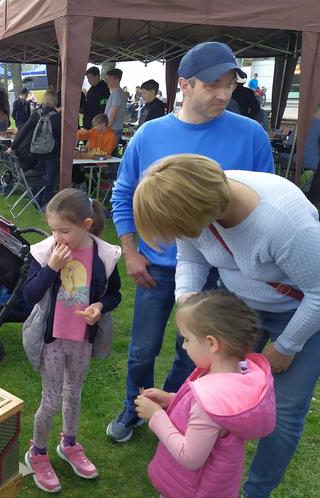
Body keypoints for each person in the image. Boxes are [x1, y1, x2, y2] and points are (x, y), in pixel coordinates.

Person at [107, 41, 275, 445]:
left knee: (195, 354)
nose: (223, 94)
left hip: (225, 272)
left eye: (229, 84)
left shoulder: (251, 134)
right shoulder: (150, 134)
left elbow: (265, 202)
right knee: (143, 348)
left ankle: (179, 409)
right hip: (157, 267)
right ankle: (135, 405)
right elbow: (123, 193)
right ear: (184, 85)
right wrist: (130, 252)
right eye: (211, 85)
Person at [132, 154, 320, 497]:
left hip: (300, 312)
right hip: (238, 310)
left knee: (285, 412)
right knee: (214, 396)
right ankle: (211, 475)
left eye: (178, 229)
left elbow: (319, 291)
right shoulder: (193, 203)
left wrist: (287, 345)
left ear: (201, 213)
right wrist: (187, 299)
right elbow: (190, 257)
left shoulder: (284, 223)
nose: (178, 236)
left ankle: (254, 492)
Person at [22, 188, 122, 493]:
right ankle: (37, 452)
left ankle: (69, 444)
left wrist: (100, 306)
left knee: (73, 394)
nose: (57, 236)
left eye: (64, 230)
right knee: (50, 401)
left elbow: (114, 294)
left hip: (81, 340)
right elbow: (29, 295)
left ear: (87, 225)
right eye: (53, 229)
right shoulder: (44, 252)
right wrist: (52, 267)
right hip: (51, 341)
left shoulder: (103, 255)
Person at [135, 290, 275, 498]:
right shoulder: (239, 376)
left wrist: (156, 415)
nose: (183, 346)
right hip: (213, 484)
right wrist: (171, 399)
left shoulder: (211, 399)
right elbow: (211, 419)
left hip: (192, 490)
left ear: (211, 343)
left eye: (187, 339)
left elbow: (190, 456)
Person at [9, 89, 61, 207]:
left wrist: (13, 146)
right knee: (50, 180)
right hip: (51, 153)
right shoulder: (56, 117)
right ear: (55, 101)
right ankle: (43, 205)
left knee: (41, 178)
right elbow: (59, 137)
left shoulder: (36, 113)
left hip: (36, 152)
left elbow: (23, 131)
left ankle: (37, 201)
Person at [104, 68, 128, 142]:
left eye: (110, 79)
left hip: (112, 130)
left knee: (106, 153)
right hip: (114, 129)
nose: (107, 81)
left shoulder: (117, 94)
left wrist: (105, 129)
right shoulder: (118, 92)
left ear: (117, 80)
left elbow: (112, 115)